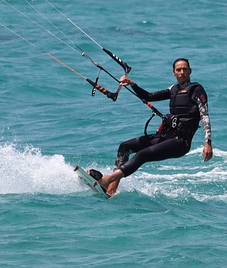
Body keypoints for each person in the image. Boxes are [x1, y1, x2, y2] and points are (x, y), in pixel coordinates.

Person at [89, 58, 213, 196]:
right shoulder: (173, 89)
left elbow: (204, 115)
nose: (182, 72)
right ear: (174, 72)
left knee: (143, 154)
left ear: (190, 71)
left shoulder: (196, 89)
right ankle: (111, 189)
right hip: (166, 137)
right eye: (179, 69)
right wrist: (132, 84)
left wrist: (207, 142)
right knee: (124, 147)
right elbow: (148, 96)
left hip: (180, 142)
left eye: (185, 69)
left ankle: (107, 179)